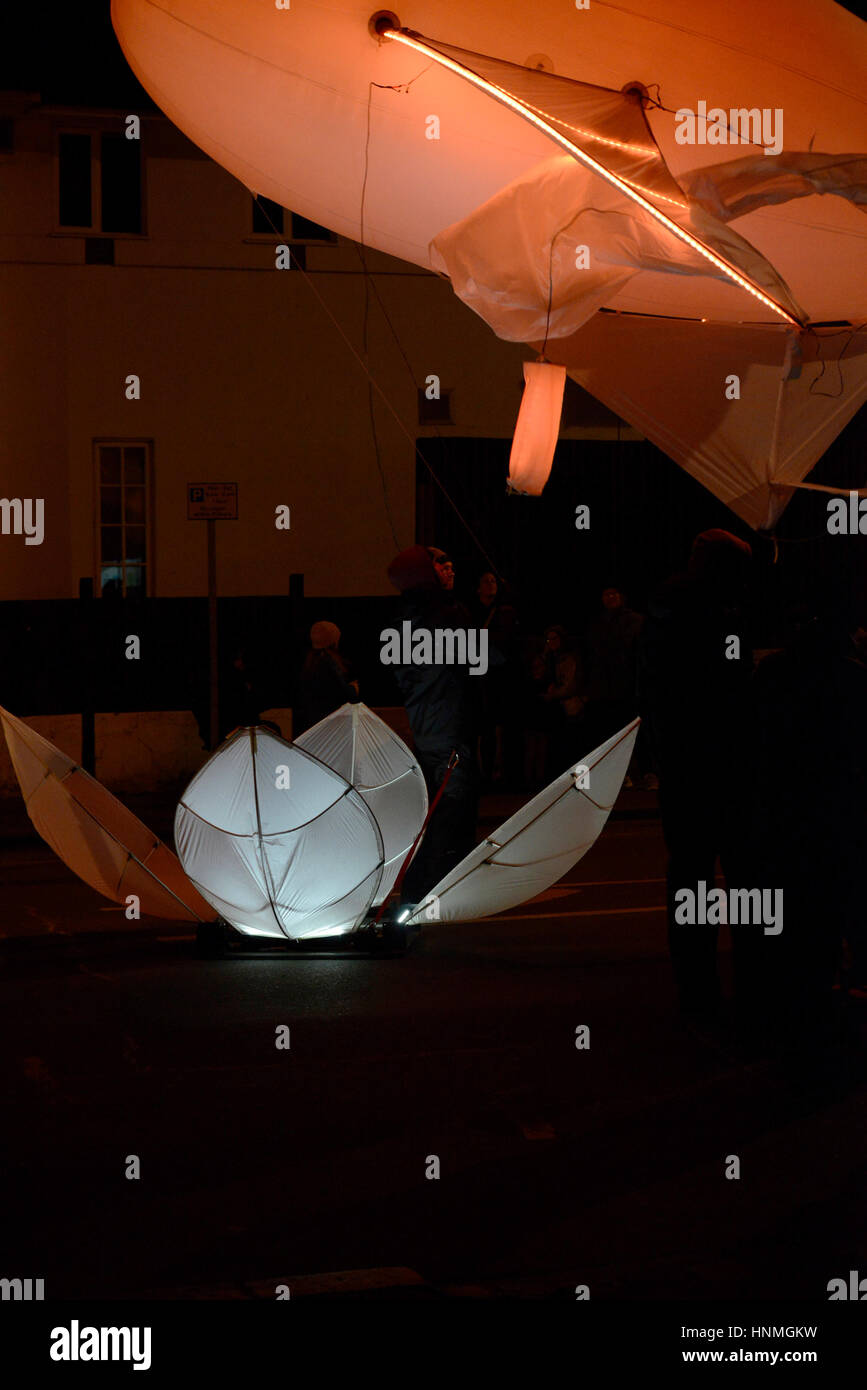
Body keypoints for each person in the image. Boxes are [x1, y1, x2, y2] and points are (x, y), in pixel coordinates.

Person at [639, 529, 753, 1030]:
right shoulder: (723, 614)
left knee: (690, 874)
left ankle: (697, 987)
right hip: (724, 762)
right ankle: (752, 983)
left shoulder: (662, 614)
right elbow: (735, 685)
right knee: (746, 874)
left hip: (682, 762)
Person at [385, 544, 481, 903]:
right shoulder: (447, 614)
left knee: (435, 810)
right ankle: (427, 893)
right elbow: (482, 662)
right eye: (442, 564)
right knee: (449, 810)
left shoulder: (402, 618)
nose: (451, 569)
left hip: (426, 727)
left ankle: (420, 890)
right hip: (449, 727)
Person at [292, 620, 359, 736]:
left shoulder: (308, 662)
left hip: (311, 725)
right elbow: (344, 693)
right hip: (330, 725)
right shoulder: (330, 662)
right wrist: (354, 688)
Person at [541, 624, 585, 777]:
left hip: (570, 707)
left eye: (554, 638)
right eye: (548, 639)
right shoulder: (549, 659)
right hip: (556, 709)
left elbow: (571, 685)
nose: (551, 642)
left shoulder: (569, 659)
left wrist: (553, 695)